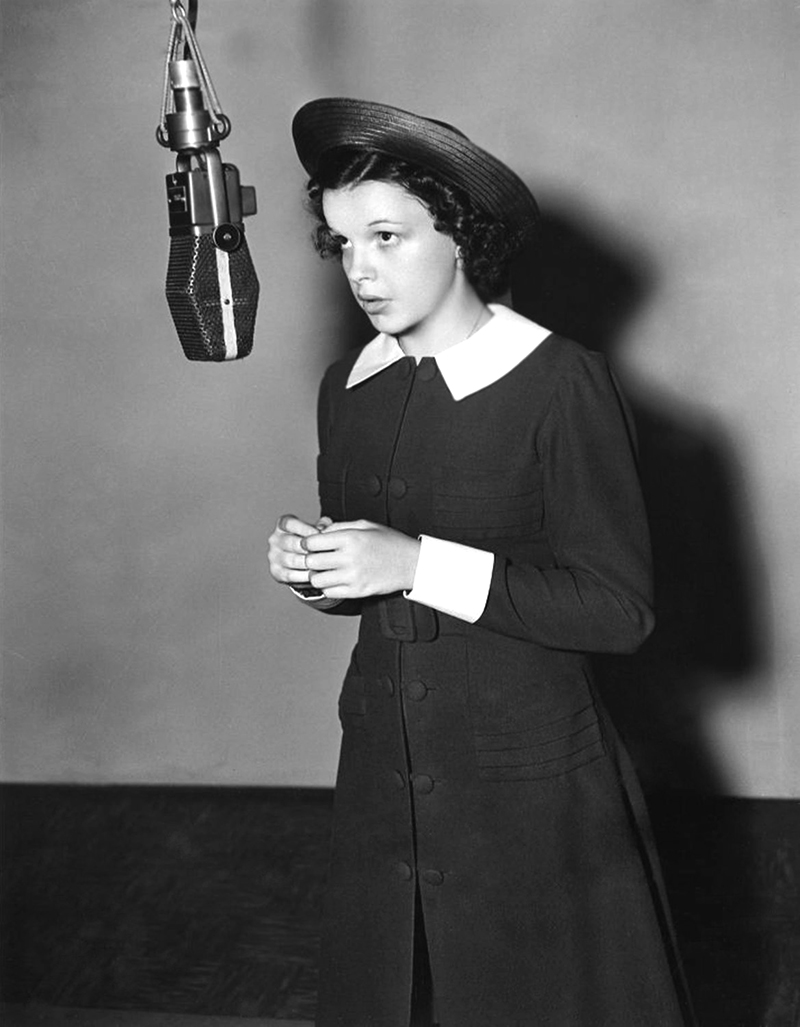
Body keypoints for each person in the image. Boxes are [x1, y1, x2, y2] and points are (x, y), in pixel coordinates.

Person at [268, 98, 695, 1027]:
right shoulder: (348, 386)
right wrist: (320, 570)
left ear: (459, 235)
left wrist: (413, 560)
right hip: (389, 765)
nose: (361, 270)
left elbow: (619, 610)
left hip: (530, 784)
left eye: (387, 235)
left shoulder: (559, 380)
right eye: (342, 244)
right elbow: (377, 579)